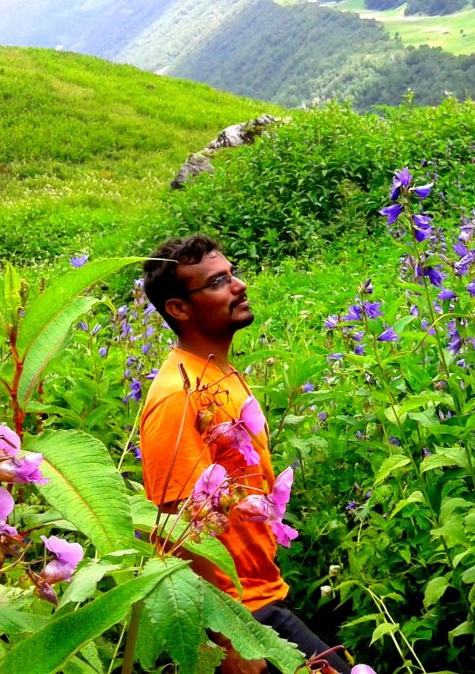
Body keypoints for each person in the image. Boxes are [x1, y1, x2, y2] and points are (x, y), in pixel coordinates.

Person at [140, 234, 352, 674]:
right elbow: (179, 526)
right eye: (218, 282)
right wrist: (228, 641)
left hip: (259, 597)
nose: (239, 286)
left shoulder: (217, 374)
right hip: (237, 615)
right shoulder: (178, 396)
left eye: (232, 274)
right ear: (179, 308)